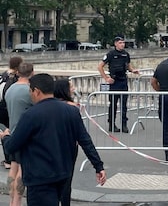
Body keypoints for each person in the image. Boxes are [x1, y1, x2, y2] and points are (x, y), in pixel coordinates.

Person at [1, 73, 106, 206]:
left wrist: (5, 137)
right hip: (63, 173)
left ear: (36, 91)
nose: (30, 95)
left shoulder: (30, 115)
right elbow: (85, 141)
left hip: (39, 177)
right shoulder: (71, 111)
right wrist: (98, 166)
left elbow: (12, 146)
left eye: (30, 91)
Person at [4, 62, 33, 206]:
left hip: (13, 132)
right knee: (22, 171)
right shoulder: (29, 91)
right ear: (32, 73)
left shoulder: (10, 89)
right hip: (25, 135)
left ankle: (11, 201)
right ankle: (17, 201)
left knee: (13, 168)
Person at [98, 36, 139, 133]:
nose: (122, 44)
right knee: (113, 105)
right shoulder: (111, 54)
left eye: (123, 43)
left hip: (123, 81)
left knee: (124, 104)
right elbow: (100, 66)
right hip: (114, 82)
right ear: (116, 43)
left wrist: (133, 70)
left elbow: (128, 66)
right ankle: (111, 124)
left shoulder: (126, 54)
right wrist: (106, 78)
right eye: (120, 43)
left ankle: (124, 125)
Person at [53, 78, 80, 206]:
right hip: (68, 147)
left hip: (54, 146)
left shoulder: (51, 105)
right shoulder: (72, 108)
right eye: (70, 87)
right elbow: (81, 135)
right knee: (66, 181)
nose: (73, 89)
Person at [0, 56, 23, 169]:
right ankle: (12, 158)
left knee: (4, 131)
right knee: (12, 130)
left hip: (0, 107)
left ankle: (7, 158)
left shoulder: (3, 75)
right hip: (8, 106)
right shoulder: (14, 77)